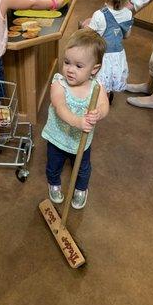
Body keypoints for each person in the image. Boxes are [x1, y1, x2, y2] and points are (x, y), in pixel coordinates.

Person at [42, 28, 109, 209]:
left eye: (78, 66)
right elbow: (60, 107)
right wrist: (78, 121)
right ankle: (54, 183)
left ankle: (81, 189)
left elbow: (104, 105)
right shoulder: (59, 83)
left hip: (81, 140)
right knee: (54, 164)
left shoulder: (96, 87)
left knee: (83, 168)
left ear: (94, 69)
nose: (70, 70)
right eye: (67, 62)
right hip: (58, 137)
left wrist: (99, 113)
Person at [84, 0, 133, 102]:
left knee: (100, 82)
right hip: (118, 56)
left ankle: (99, 102)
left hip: (103, 57)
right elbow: (127, 35)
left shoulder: (99, 15)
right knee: (111, 77)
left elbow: (91, 36)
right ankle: (108, 95)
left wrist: (85, 26)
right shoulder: (128, 14)